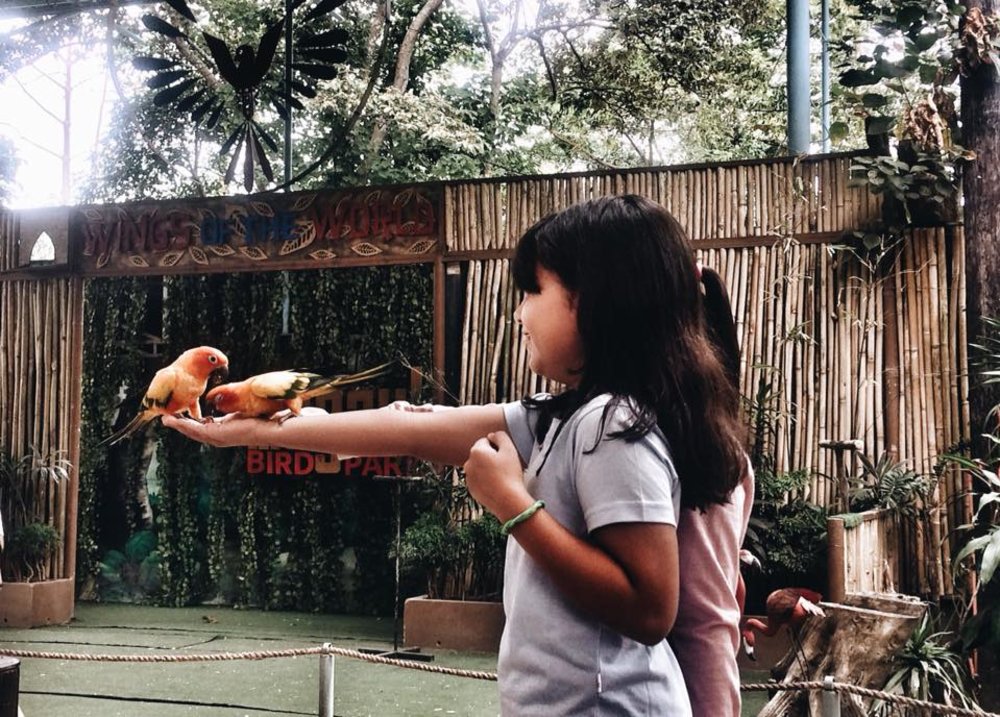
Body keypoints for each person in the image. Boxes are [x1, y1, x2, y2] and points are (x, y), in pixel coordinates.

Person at [165, 194, 747, 715]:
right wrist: (252, 433)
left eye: (533, 291)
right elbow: (411, 430)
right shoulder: (565, 415)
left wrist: (512, 506)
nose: (519, 313)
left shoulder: (614, 424)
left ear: (598, 302)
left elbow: (650, 610)